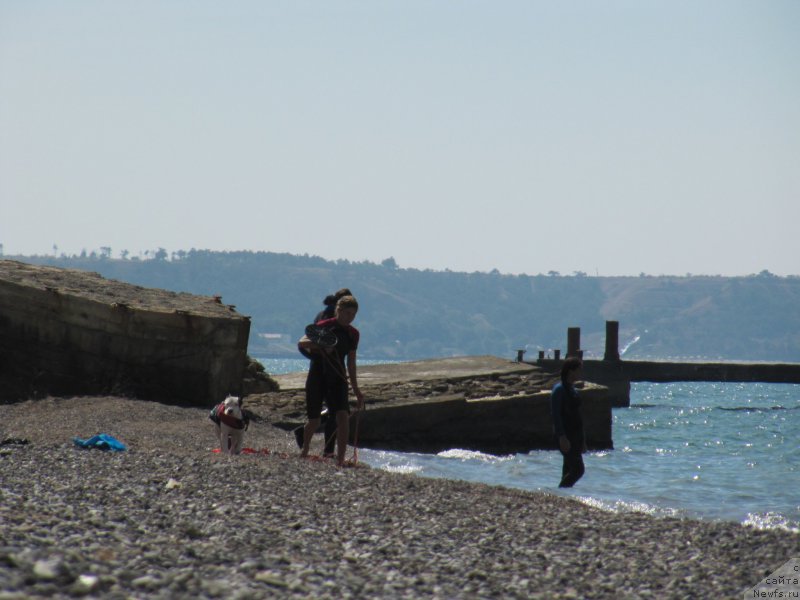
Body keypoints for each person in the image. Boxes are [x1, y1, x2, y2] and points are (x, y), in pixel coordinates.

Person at [299, 295, 364, 466]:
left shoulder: (353, 334)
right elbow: (302, 342)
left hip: (338, 378)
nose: (350, 317)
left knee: (343, 416)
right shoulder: (325, 326)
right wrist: (322, 345)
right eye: (347, 313)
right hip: (318, 375)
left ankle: (340, 459)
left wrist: (356, 389)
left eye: (353, 315)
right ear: (339, 311)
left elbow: (351, 361)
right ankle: (304, 450)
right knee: (314, 420)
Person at [550, 357, 586, 488]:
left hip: (576, 436)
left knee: (568, 469)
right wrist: (561, 436)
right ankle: (560, 491)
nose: (581, 373)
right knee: (578, 470)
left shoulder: (573, 390)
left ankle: (563, 496)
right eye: (579, 370)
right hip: (566, 435)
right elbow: (555, 414)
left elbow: (578, 416)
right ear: (571, 371)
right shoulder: (559, 390)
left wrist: (583, 441)